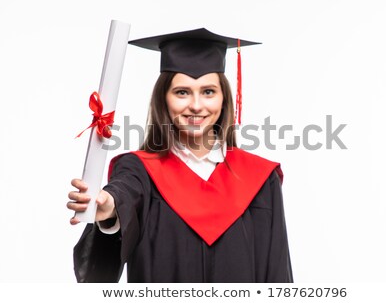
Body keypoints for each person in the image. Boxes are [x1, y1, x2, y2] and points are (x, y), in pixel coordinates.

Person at [67, 28, 293, 283]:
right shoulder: (139, 170)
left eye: (208, 91)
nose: (196, 105)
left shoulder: (260, 179)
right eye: (182, 92)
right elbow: (122, 194)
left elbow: (277, 275)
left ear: (224, 99)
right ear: (163, 99)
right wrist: (108, 207)